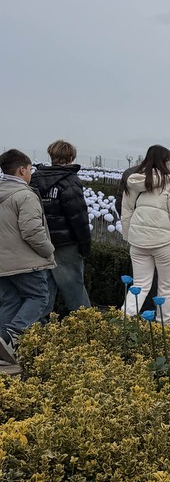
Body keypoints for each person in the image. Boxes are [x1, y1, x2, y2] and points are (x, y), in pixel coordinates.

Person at [120, 145, 170, 323]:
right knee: (167, 287)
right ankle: (163, 326)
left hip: (138, 243)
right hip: (165, 243)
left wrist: (129, 237)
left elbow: (126, 212)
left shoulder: (134, 182)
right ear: (166, 161)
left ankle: (124, 320)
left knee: (139, 285)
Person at [0, 149, 56, 364]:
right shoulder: (25, 195)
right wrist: (48, 250)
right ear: (22, 170)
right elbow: (32, 231)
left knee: (10, 301)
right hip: (25, 261)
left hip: (3, 262)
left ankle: (4, 352)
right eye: (30, 170)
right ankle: (12, 335)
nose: (31, 174)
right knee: (39, 297)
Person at [31, 139, 91, 315]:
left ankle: (39, 326)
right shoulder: (70, 181)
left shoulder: (34, 179)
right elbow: (78, 217)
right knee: (74, 288)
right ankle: (86, 323)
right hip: (65, 244)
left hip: (40, 242)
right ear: (71, 157)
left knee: (44, 288)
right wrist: (84, 246)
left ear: (51, 155)